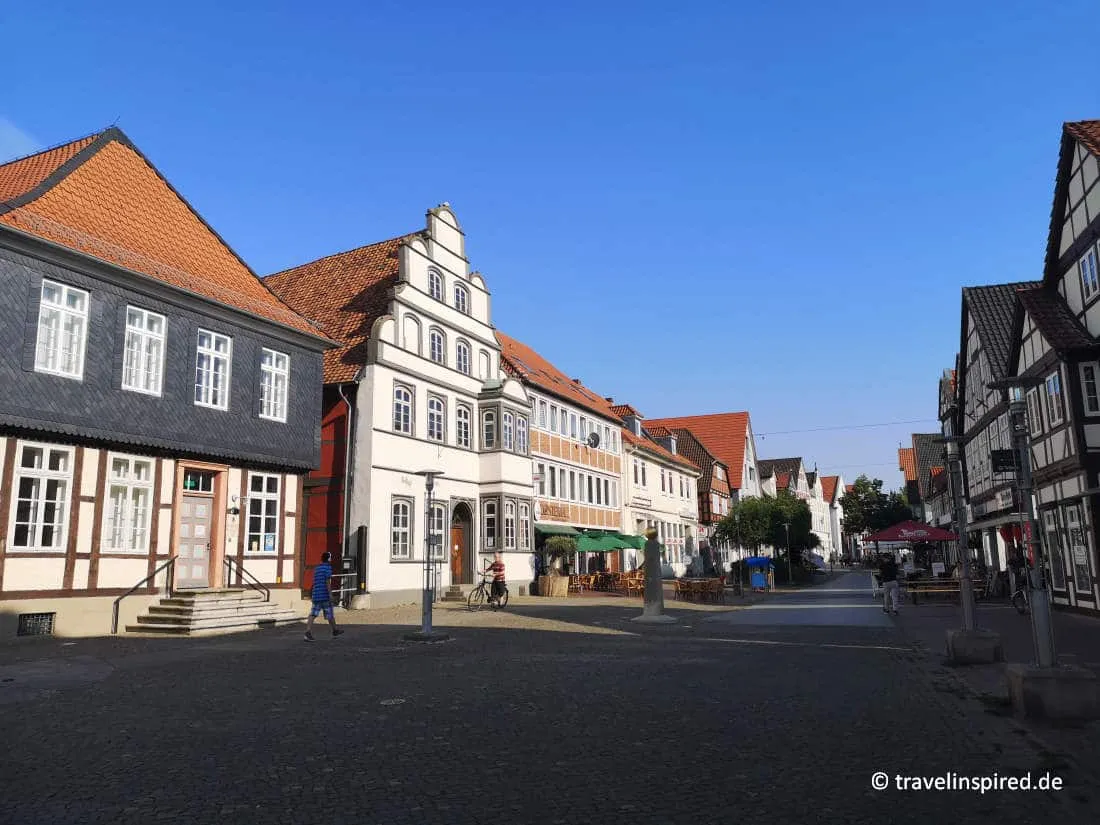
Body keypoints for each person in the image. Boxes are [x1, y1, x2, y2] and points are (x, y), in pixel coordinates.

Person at [305, 551, 344, 641]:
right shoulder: (327, 568)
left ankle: (308, 631)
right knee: (329, 613)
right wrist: (330, 594)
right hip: (324, 595)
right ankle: (335, 630)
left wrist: (312, 593)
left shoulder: (317, 568)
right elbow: (327, 582)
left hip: (316, 594)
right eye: (330, 557)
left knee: (313, 614)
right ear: (328, 559)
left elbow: (315, 582)